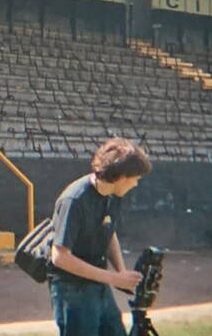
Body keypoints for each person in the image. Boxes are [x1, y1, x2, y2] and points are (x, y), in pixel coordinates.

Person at [48, 137, 152, 336]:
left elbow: (108, 233)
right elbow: (60, 257)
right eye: (135, 179)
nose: (136, 184)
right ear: (121, 177)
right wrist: (113, 278)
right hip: (72, 290)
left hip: (98, 284)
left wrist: (121, 274)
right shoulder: (74, 199)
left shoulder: (113, 195)